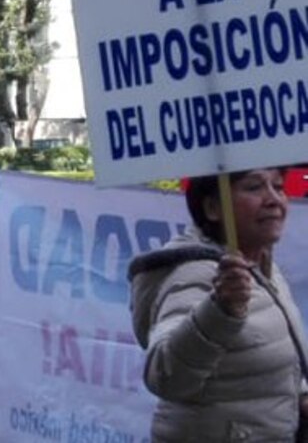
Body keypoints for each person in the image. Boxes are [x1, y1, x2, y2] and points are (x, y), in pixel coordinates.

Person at [129, 168, 308, 442]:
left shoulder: (263, 266)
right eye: (254, 188)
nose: (274, 199)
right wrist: (219, 311)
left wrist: (300, 397)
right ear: (213, 207)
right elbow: (165, 376)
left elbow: (267, 363)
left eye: (278, 187)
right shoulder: (197, 276)